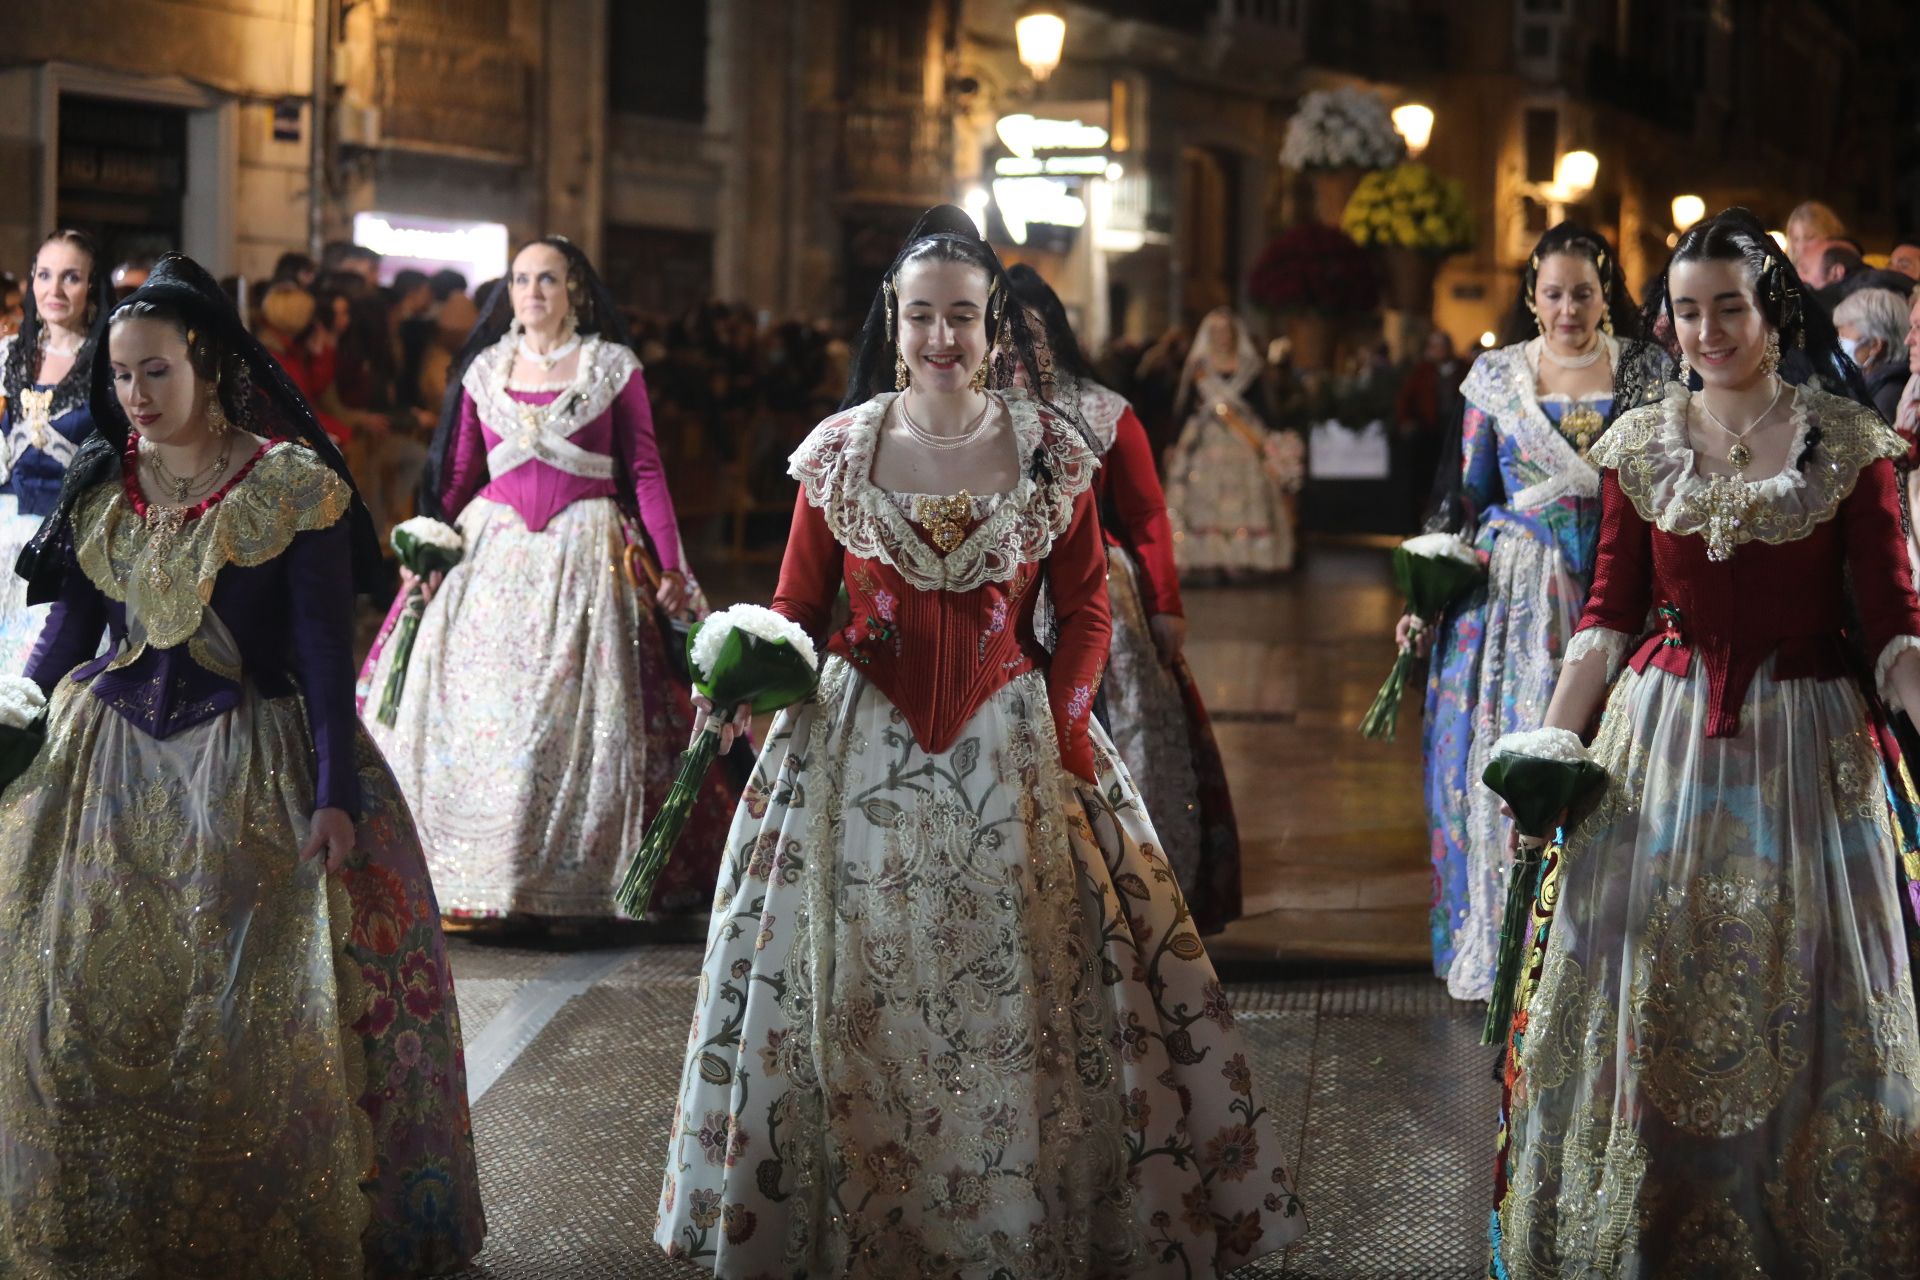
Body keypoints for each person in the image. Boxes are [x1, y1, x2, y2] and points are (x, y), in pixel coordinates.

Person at [654, 207, 1303, 1275]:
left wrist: (1067, 726)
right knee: (852, 989)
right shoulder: (840, 451)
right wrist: (749, 682)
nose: (942, 337)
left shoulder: (1052, 447)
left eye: (962, 315)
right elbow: (797, 604)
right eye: (922, 317)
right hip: (853, 749)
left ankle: (1011, 1211)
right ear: (894, 322)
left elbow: (1086, 606)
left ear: (993, 322)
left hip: (1017, 742)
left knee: (1022, 993)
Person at [0, 253, 484, 1274]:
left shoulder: (286, 483)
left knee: (246, 1007)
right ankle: (104, 1217)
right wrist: (14, 725)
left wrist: (334, 793)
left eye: (155, 373)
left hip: (248, 759)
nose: (134, 396)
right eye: (121, 377)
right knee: (82, 999)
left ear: (208, 365)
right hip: (107, 767)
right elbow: (70, 633)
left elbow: (320, 650)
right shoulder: (104, 483)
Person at [1493, 207, 1920, 1277]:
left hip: (1809, 748)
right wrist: (1555, 733)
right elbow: (1606, 613)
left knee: (1809, 988)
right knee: (1650, 985)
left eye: (1728, 304)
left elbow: (1895, 624)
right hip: (1663, 749)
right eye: (1686, 310)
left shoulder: (1848, 443)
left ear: (1772, 305)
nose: (1707, 329)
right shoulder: (1639, 444)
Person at [361, 236, 734, 922]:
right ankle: (472, 875)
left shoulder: (612, 367)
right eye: (521, 279)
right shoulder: (483, 371)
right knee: (482, 711)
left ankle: (566, 878)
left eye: (547, 279)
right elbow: (463, 472)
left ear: (574, 291)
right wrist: (432, 544)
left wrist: (672, 564)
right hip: (492, 556)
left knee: (562, 718)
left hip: (584, 551)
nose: (532, 291)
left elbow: (644, 470)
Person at [1403, 223, 1664, 1002]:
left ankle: (1599, 949)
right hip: (1515, 601)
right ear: (1531, 297)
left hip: (1620, 588)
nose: (1568, 307)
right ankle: (1509, 937)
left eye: (1583, 292)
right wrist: (1428, 590)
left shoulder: (1647, 374)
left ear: (1605, 294)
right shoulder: (1496, 376)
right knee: (1514, 748)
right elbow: (1465, 490)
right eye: (1553, 293)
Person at [1007, 262, 1244, 933]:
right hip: (1007, 598)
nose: (1017, 351)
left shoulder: (1103, 411)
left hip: (1097, 598)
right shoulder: (972, 412)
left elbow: (1146, 516)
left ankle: (1134, 885)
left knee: (1118, 731)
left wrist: (1165, 603)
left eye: (1030, 333)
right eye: (1001, 331)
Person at [0, 230, 111, 670]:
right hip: (7, 539)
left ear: (92, 286)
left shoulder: (109, 359)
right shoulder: (8, 354)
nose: (55, 289)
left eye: (71, 277)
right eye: (44, 275)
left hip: (74, 546)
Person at [1163, 307, 1296, 577]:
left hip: (1243, 442)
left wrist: (1277, 439)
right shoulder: (1199, 368)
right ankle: (1208, 558)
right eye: (1216, 331)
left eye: (1226, 331)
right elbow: (1186, 406)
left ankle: (1245, 557)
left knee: (1246, 498)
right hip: (1206, 440)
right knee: (1205, 498)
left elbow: (1264, 407)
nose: (1222, 337)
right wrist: (1173, 442)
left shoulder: (1249, 368)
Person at [1834, 285, 1913, 423]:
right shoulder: (1867, 385)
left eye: (1844, 336)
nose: (1838, 343)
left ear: (1875, 345)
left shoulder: (1888, 398)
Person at [1786, 198, 1845, 279]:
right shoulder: (1786, 278)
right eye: (1796, 239)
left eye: (1810, 238)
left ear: (1830, 234)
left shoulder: (1846, 274)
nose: (1801, 247)